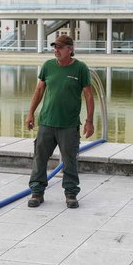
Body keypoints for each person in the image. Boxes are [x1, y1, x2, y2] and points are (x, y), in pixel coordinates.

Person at [26, 34, 94, 209]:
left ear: (70, 49)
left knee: (70, 160)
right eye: (54, 47)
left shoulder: (80, 68)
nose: (56, 50)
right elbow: (39, 90)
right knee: (40, 158)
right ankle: (37, 192)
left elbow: (88, 95)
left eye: (60, 47)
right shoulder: (48, 66)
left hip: (69, 124)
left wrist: (89, 121)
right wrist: (31, 113)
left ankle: (71, 194)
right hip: (47, 122)